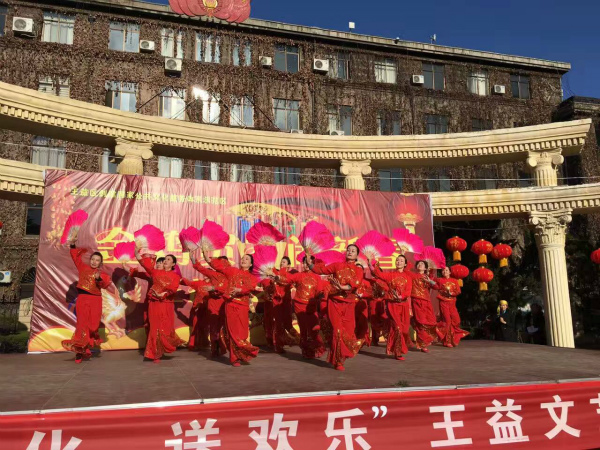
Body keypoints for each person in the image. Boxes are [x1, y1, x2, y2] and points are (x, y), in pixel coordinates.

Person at [308, 244, 363, 371]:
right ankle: (337, 361)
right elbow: (321, 270)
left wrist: (342, 287)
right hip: (335, 302)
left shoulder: (358, 270)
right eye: (348, 250)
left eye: (353, 251)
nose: (350, 252)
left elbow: (355, 284)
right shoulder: (337, 265)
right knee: (337, 331)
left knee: (348, 332)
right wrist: (310, 264)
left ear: (356, 255)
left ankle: (341, 357)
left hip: (349, 304)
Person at [202, 250, 259, 367]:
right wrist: (207, 258)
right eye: (243, 258)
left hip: (243, 306)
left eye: (247, 259)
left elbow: (250, 287)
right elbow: (219, 267)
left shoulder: (253, 278)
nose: (243, 260)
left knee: (242, 333)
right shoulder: (233, 271)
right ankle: (234, 358)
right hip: (231, 304)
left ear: (251, 264)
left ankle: (242, 352)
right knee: (232, 332)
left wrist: (240, 290)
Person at [62, 236, 112, 363]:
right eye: (93, 259)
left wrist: (98, 278)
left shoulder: (102, 274)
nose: (94, 262)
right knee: (82, 325)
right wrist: (72, 245)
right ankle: (79, 351)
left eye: (97, 260)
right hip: (83, 299)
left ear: (100, 263)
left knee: (93, 326)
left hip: (96, 300)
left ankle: (86, 345)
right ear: (90, 260)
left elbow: (105, 284)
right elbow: (75, 257)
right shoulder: (83, 268)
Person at [135, 249, 185, 363]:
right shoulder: (156, 272)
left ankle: (163, 348)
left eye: (168, 259)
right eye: (165, 259)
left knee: (165, 329)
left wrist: (163, 294)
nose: (165, 261)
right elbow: (144, 264)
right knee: (155, 328)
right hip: (154, 304)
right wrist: (136, 253)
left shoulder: (175, 277)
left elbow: (173, 289)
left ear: (173, 264)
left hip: (167, 304)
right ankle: (155, 354)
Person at [274, 256, 325, 359]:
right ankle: (306, 350)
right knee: (303, 329)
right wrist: (278, 278)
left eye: (309, 263)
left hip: (311, 306)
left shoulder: (317, 278)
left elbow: (320, 291)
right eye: (305, 262)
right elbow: (288, 279)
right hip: (299, 305)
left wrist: (319, 296)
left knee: (313, 329)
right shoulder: (299, 275)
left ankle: (317, 347)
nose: (306, 265)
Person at [369, 255, 412, 360]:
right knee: (397, 327)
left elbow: (408, 291)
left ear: (405, 264)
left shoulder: (408, 277)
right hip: (392, 305)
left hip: (404, 305)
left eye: (401, 260)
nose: (399, 262)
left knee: (404, 330)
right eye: (397, 260)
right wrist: (370, 263)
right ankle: (398, 352)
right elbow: (378, 274)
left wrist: (401, 296)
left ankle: (396, 346)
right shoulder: (390, 275)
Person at [190, 253, 229, 357]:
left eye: (224, 262)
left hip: (224, 302)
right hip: (213, 303)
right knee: (214, 327)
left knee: (224, 326)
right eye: (220, 262)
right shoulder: (214, 274)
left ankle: (224, 346)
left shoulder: (231, 274)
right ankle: (215, 348)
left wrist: (215, 288)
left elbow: (228, 289)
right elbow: (201, 269)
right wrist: (193, 259)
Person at [434, 266, 469, 347]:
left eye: (446, 270)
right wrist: (430, 279)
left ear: (450, 272)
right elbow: (434, 285)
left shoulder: (454, 281)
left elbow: (458, 291)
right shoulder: (439, 280)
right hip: (443, 302)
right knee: (447, 321)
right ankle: (447, 341)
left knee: (456, 320)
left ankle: (450, 336)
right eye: (443, 270)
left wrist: (451, 293)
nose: (444, 271)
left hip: (452, 303)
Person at [409, 260, 438, 353]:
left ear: (425, 268)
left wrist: (430, 281)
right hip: (416, 301)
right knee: (421, 322)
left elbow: (437, 287)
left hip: (426, 301)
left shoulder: (428, 277)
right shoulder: (413, 275)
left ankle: (425, 340)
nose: (420, 265)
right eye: (418, 264)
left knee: (431, 321)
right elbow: (405, 270)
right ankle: (423, 344)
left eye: (422, 264)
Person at [181, 275, 211, 351]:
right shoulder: (199, 283)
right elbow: (189, 283)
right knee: (195, 325)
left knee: (205, 326)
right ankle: (193, 344)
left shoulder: (213, 285)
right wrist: (181, 278)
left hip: (207, 308)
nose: (205, 276)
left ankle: (203, 343)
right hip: (197, 308)